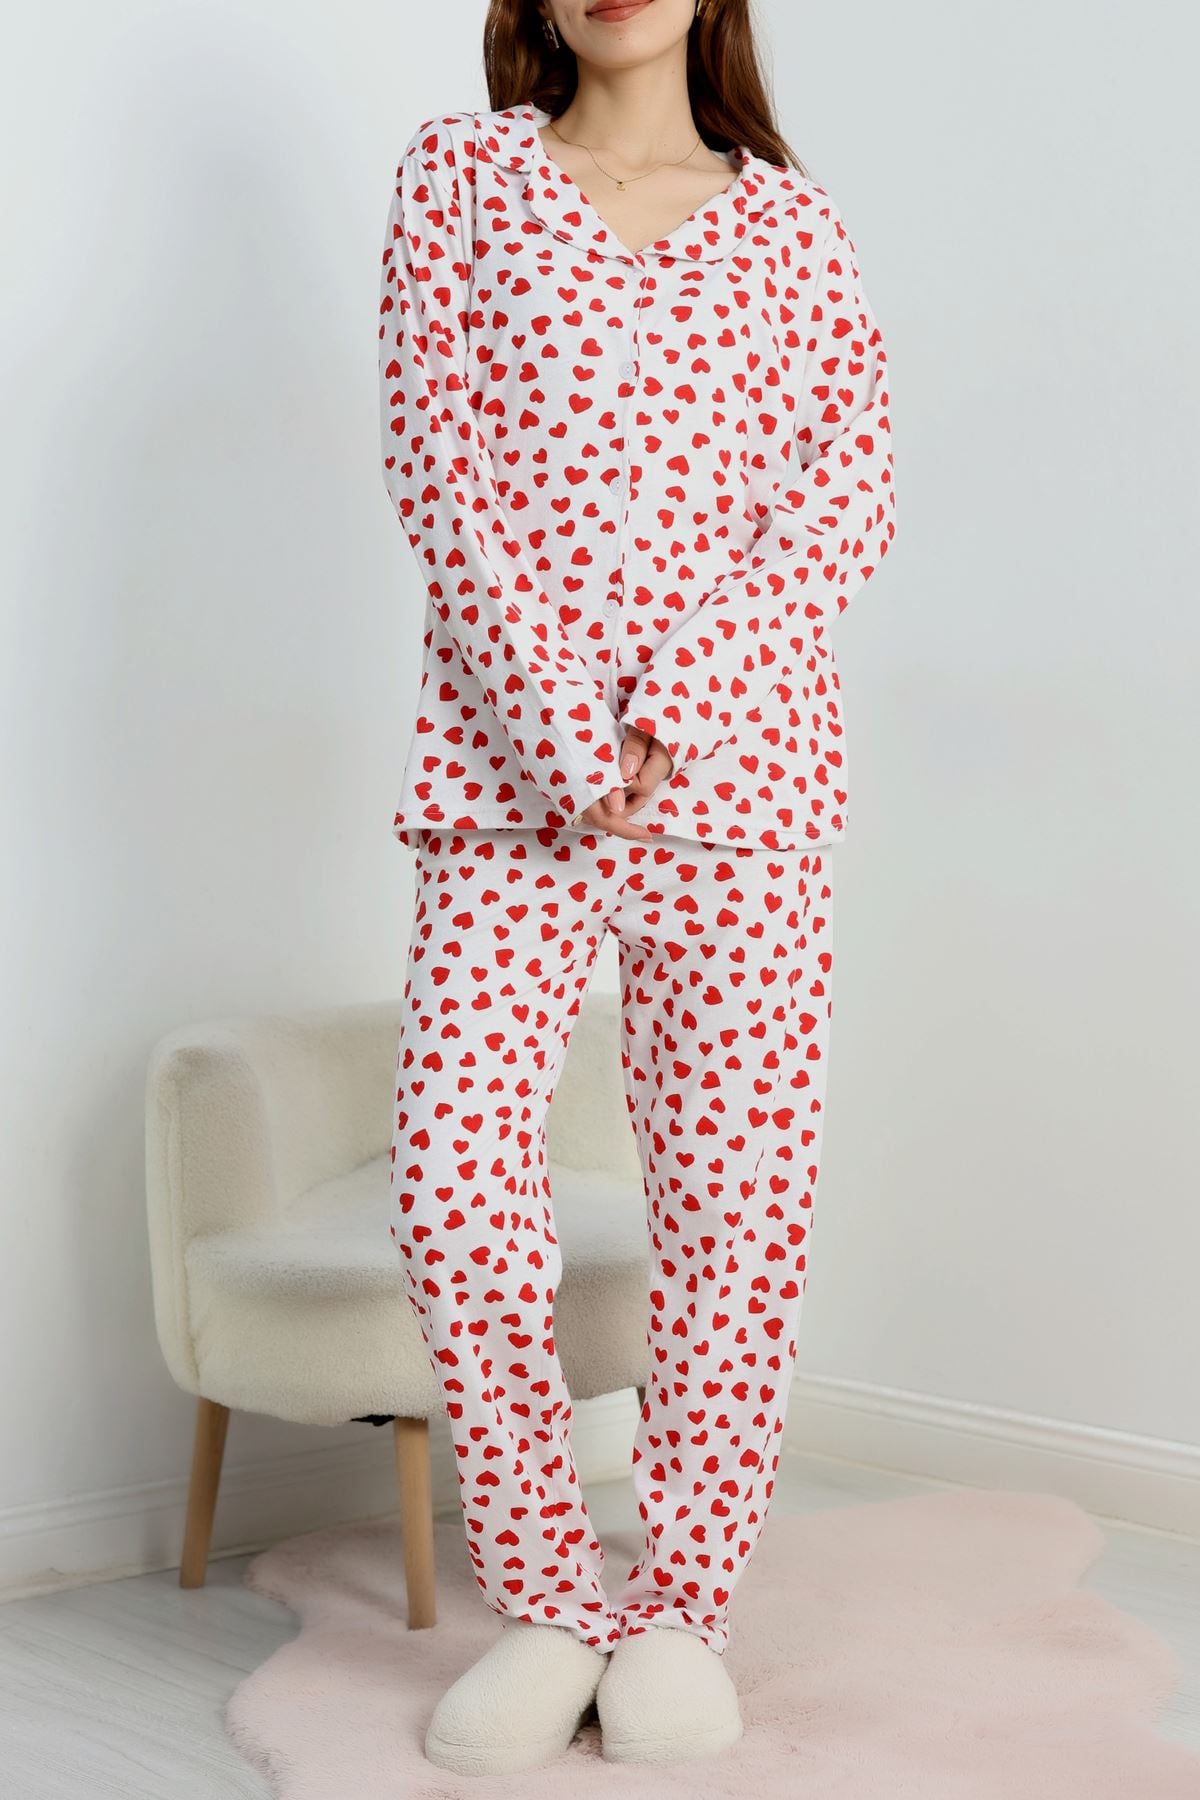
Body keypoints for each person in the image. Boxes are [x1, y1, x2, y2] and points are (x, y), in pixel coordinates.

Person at [377, 0, 896, 1775]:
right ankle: (547, 1598)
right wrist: (560, 733)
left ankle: (680, 1607)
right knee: (454, 1183)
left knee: (736, 1209)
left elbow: (848, 493)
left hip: (745, 785)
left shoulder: (794, 222)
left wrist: (678, 706)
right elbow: (439, 469)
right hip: (503, 783)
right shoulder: (459, 178)